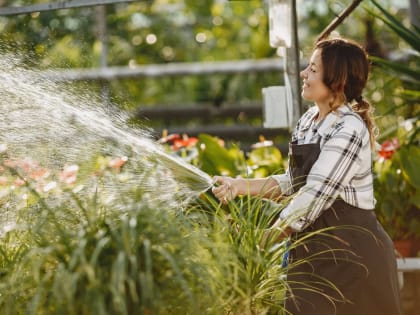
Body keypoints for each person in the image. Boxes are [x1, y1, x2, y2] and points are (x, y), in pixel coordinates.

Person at [212, 37, 402, 315]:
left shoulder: (349, 128)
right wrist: (239, 185)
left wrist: (265, 238)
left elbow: (315, 195)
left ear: (336, 80)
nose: (303, 73)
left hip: (354, 258)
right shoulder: (308, 121)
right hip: (312, 253)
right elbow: (294, 182)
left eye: (313, 69)